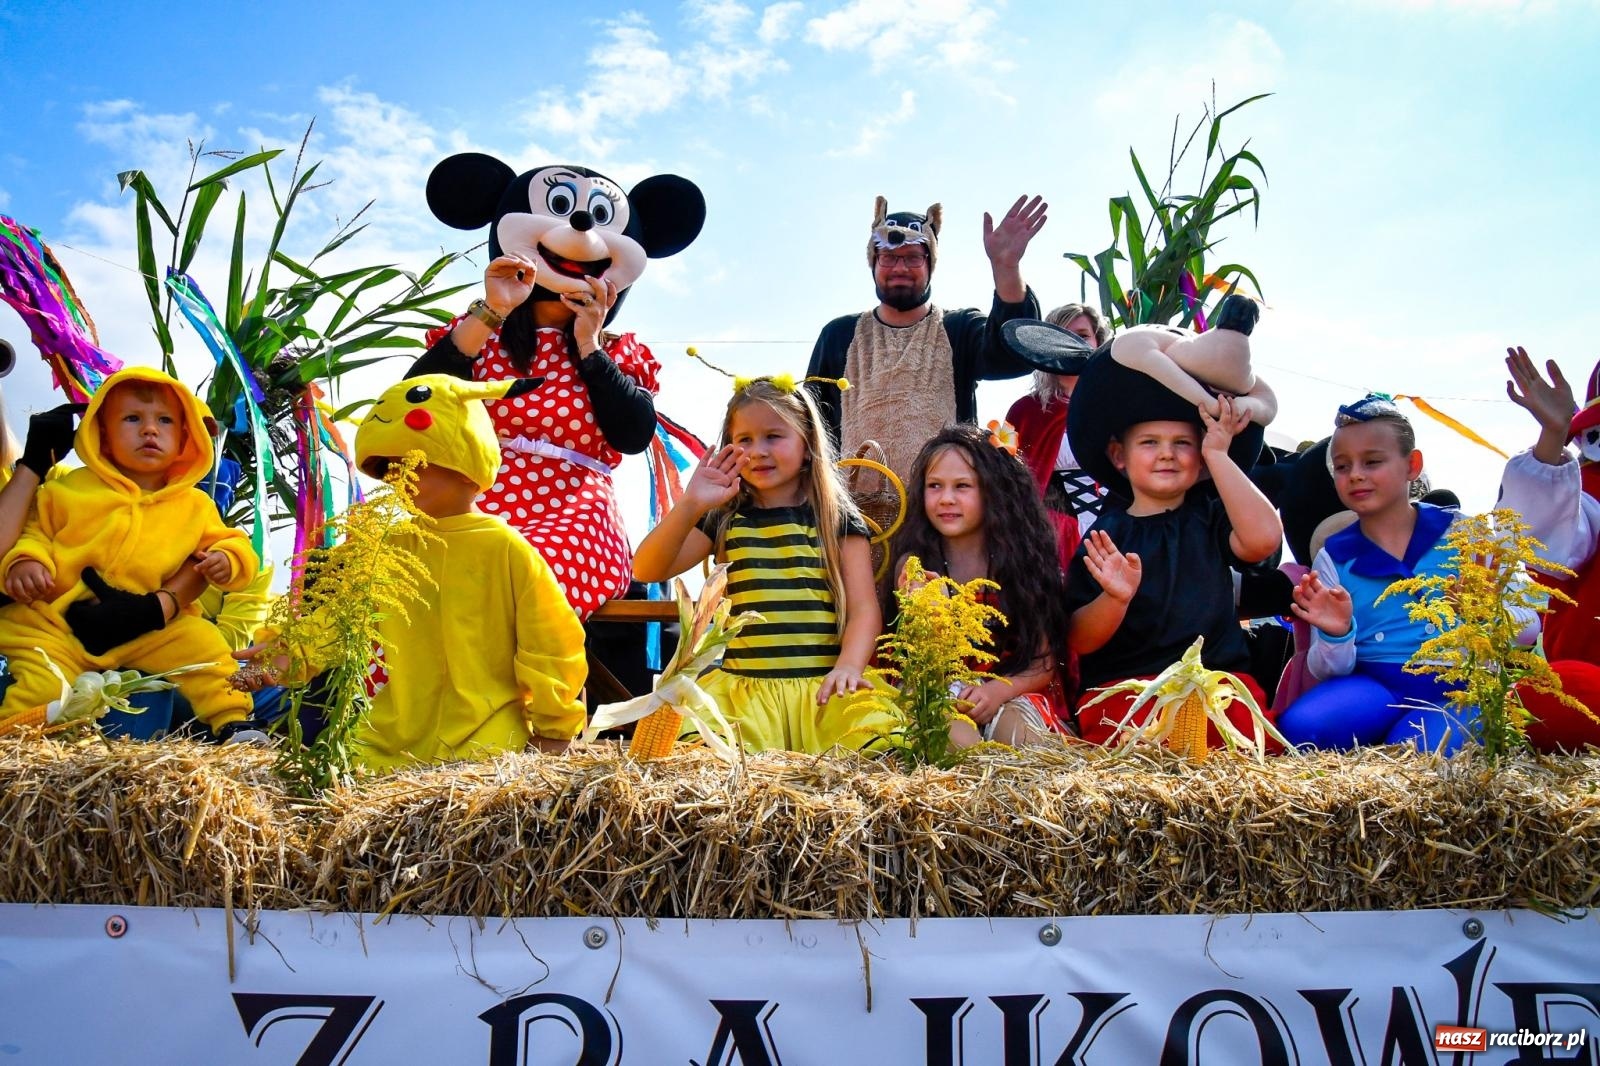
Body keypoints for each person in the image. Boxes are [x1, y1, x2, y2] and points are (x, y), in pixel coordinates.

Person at [237, 374, 588, 768]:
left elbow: (550, 645)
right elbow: (334, 624)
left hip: (485, 750)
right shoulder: (383, 547)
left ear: (463, 457)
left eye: (412, 462)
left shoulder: (505, 549)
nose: (399, 479)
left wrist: (553, 732)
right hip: (383, 750)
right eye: (389, 469)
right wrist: (286, 657)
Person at [412, 155, 705, 621]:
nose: (580, 224)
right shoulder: (478, 335)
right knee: (389, 575)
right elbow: (417, 405)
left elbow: (632, 435)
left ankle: (514, 693)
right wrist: (492, 310)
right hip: (467, 506)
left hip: (575, 518)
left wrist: (590, 343)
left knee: (519, 573)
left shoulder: (619, 353)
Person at [632, 377, 893, 753]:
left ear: (807, 445)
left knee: (876, 746)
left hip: (823, 690)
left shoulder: (834, 517)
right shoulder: (725, 518)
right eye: (745, 440)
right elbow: (646, 569)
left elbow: (864, 609)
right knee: (699, 753)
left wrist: (849, 667)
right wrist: (691, 503)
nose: (758, 451)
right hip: (745, 694)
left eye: (773, 436)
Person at [0, 367, 259, 731]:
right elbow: (36, 531)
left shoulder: (196, 506)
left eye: (165, 420)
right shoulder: (68, 489)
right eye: (132, 418)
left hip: (151, 628)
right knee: (42, 679)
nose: (149, 429)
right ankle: (15, 733)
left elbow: (230, 542)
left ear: (187, 438)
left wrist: (227, 560)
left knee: (205, 649)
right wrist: (25, 562)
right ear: (101, 435)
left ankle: (234, 722)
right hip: (57, 621)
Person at [1276, 396, 1532, 753]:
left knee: (1416, 753)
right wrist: (1337, 633)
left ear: (1412, 465)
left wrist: (1488, 613)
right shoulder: (1334, 557)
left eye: (1373, 461)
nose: (1357, 475)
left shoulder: (1470, 537)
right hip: (1376, 683)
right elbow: (1327, 670)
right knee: (1302, 729)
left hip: (1460, 683)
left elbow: (1530, 625)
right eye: (1343, 466)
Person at [1065, 396, 1283, 747]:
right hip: (1130, 690)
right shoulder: (1107, 536)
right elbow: (1080, 638)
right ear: (1119, 455)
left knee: (1246, 739)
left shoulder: (1211, 519)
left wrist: (1218, 456)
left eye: (1183, 443)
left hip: (1215, 684)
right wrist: (1115, 598)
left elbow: (1265, 540)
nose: (1167, 453)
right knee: (1138, 745)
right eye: (1150, 442)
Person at [805, 194, 1047, 480]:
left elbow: (1014, 358)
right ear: (873, 262)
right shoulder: (838, 336)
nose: (900, 268)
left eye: (913, 257)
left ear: (930, 263)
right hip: (857, 517)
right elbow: (811, 427)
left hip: (943, 510)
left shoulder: (959, 329)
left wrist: (1006, 268)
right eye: (889, 257)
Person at [889, 424, 1069, 746]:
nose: (946, 499)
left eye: (962, 486)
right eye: (934, 486)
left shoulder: (1023, 566)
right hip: (935, 689)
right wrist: (929, 605)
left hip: (1007, 690)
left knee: (1022, 737)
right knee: (954, 739)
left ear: (994, 491)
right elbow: (922, 659)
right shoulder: (916, 563)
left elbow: (1044, 662)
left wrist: (998, 690)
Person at [1495, 347, 1600, 750]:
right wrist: (1553, 436)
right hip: (1592, 678)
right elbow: (1545, 542)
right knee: (1553, 700)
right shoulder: (1591, 492)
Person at [1004, 303, 1111, 563]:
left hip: (1116, 530)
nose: (1072, 342)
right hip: (1050, 539)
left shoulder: (1121, 405)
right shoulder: (1023, 411)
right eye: (1062, 334)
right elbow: (1003, 482)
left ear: (1098, 342)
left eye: (1082, 335)